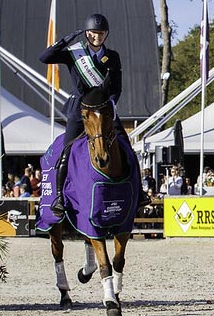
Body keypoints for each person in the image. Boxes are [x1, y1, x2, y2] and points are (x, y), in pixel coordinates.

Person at [39, 13, 149, 216]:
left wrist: (112, 104)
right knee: (66, 151)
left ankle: (140, 193)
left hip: (104, 110)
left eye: (100, 33)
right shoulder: (74, 53)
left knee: (127, 147)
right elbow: (45, 57)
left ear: (105, 35)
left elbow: (117, 86)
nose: (97, 37)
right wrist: (65, 41)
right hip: (80, 110)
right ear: (87, 34)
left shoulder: (112, 56)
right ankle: (59, 198)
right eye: (93, 33)